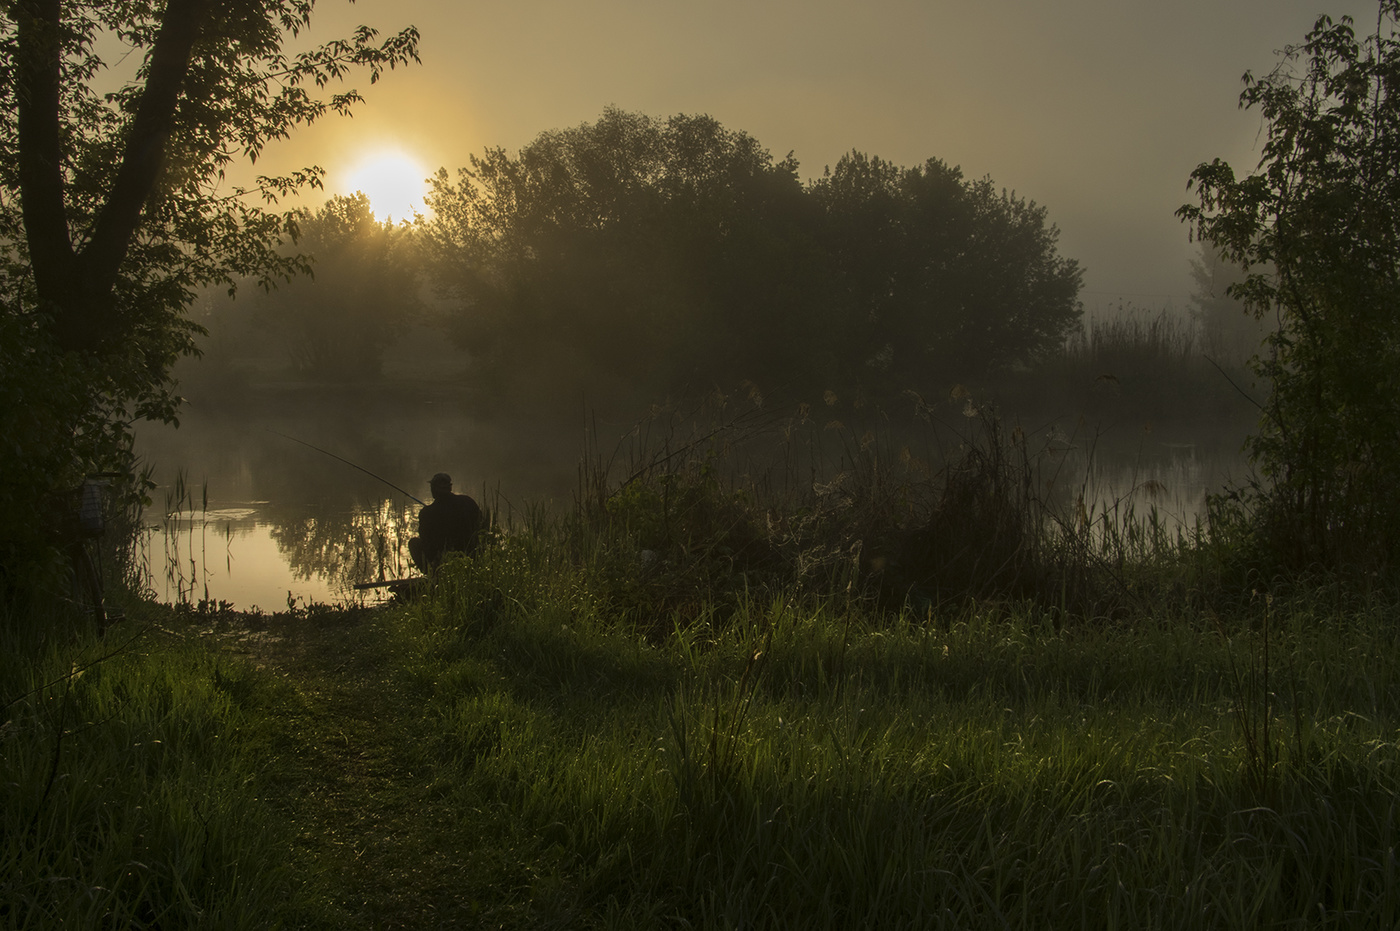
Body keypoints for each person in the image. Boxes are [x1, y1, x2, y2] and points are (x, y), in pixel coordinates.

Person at [408, 472, 483, 572]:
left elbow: (425, 540)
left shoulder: (426, 513)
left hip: (442, 562)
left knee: (414, 543)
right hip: (470, 557)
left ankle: (433, 576)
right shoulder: (468, 501)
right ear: (450, 488)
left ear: (433, 490)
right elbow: (482, 525)